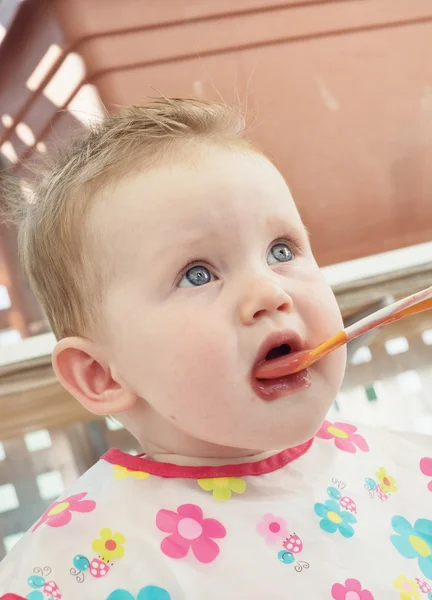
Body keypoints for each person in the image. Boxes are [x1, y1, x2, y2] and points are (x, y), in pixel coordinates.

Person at [0, 99, 431, 600]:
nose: (271, 293)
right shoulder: (70, 571)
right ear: (102, 375)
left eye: (281, 250)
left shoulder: (410, 473)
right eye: (197, 274)